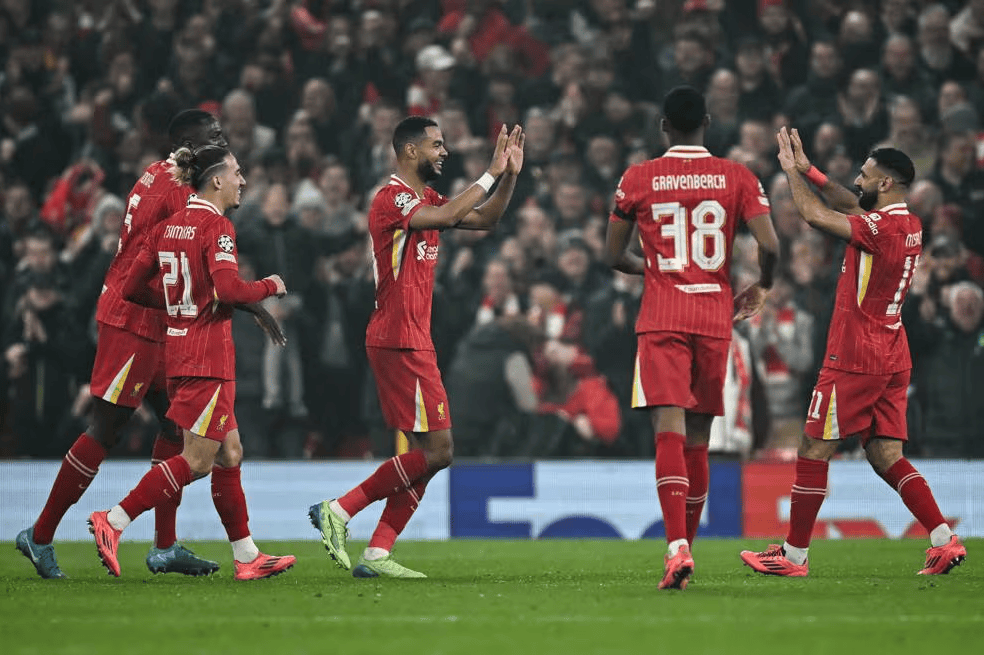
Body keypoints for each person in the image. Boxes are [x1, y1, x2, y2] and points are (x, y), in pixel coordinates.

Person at [15, 109, 281, 580]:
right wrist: (247, 299)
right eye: (213, 135)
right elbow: (162, 262)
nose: (222, 141)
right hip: (133, 322)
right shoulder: (181, 192)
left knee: (177, 428)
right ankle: (41, 534)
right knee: (107, 428)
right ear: (189, 144)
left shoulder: (159, 176)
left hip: (166, 321)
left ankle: (164, 545)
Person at [740, 128, 966, 577]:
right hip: (892, 351)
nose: (857, 181)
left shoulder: (880, 229)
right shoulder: (909, 223)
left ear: (885, 183)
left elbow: (814, 215)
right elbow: (850, 203)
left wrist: (791, 174)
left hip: (856, 355)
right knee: (886, 455)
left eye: (865, 175)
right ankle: (944, 540)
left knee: (813, 446)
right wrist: (811, 170)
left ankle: (793, 556)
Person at [308, 117, 524, 578]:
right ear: (409, 151)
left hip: (411, 338)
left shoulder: (427, 199)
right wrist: (489, 171)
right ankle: (339, 510)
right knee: (439, 451)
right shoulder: (391, 199)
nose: (444, 152)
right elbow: (446, 219)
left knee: (428, 455)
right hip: (398, 338)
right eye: (436, 144)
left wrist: (508, 176)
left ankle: (377, 552)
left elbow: (486, 218)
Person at [87, 145, 296, 581]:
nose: (242, 181)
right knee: (198, 461)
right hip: (208, 358)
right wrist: (269, 285)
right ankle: (114, 520)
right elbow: (230, 290)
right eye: (237, 172)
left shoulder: (168, 227)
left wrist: (179, 308)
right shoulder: (217, 226)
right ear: (216, 179)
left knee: (230, 453)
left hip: (181, 353)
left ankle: (247, 556)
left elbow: (131, 287)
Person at [605, 86, 780, 590]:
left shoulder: (637, 177)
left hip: (662, 316)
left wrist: (657, 268)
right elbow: (770, 244)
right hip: (713, 317)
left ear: (664, 126)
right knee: (699, 439)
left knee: (668, 431)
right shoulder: (738, 176)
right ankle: (688, 549)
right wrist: (763, 285)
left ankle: (676, 547)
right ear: (707, 121)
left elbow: (613, 255)